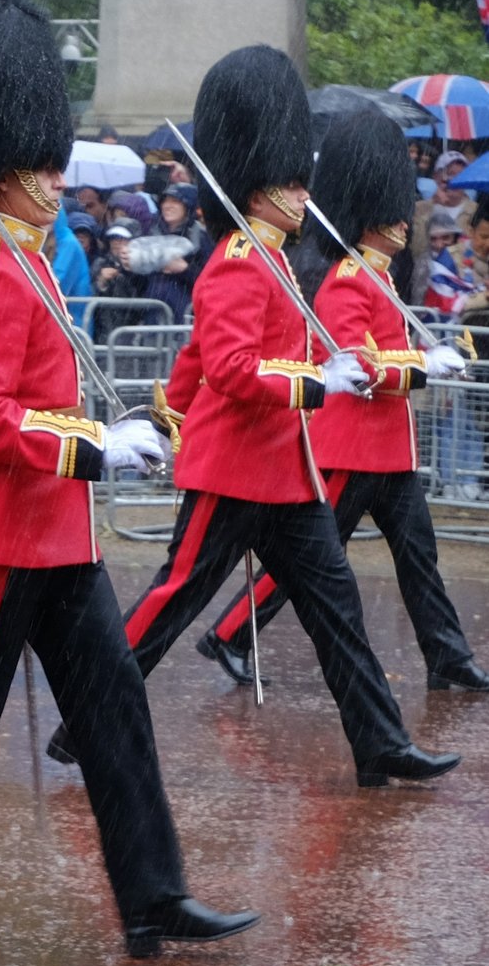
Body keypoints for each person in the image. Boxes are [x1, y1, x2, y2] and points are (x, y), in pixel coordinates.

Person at [0, 0, 249, 962]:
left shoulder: (27, 258)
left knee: (115, 714)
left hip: (58, 540)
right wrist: (90, 446)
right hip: (3, 540)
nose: (54, 171)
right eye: (38, 159)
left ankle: (153, 894)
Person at [61, 45, 456, 788]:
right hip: (236, 470)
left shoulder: (275, 260)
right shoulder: (239, 261)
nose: (304, 194)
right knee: (174, 599)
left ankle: (380, 741)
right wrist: (314, 382)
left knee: (338, 611)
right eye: (291, 183)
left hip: (289, 473)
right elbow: (235, 369)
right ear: (259, 188)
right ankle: (88, 716)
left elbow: (203, 362)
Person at [196, 106, 489, 691]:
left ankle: (447, 654)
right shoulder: (348, 280)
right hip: (351, 445)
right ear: (368, 215)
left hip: (390, 451)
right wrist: (423, 366)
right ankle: (230, 630)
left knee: (420, 559)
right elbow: (358, 363)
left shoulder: (379, 276)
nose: (403, 222)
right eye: (392, 212)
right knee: (305, 564)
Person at [141, 188, 206, 323]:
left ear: (188, 206)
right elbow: (138, 283)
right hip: (152, 315)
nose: (167, 206)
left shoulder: (200, 237)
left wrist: (185, 270)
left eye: (175, 201)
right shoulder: (151, 232)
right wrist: (129, 265)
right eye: (165, 201)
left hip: (185, 319)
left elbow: (210, 281)